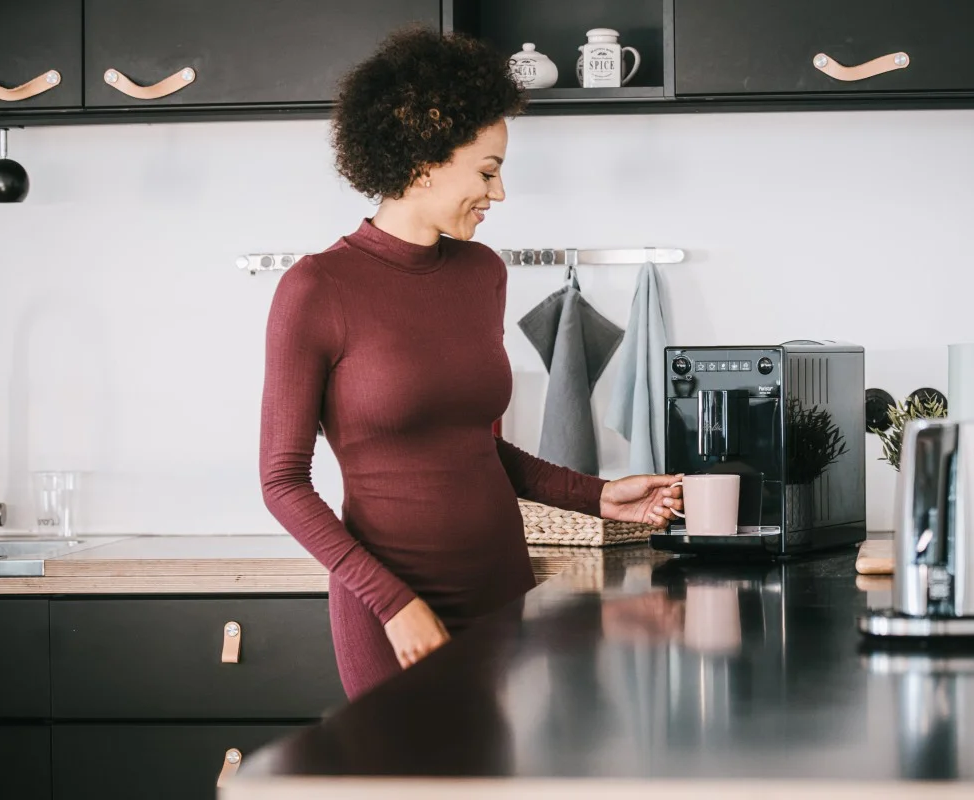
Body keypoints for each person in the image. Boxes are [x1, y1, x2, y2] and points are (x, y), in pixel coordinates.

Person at [259, 26, 683, 699]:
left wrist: (599, 497)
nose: (501, 193)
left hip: (499, 591)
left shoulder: (482, 272)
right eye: (487, 169)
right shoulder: (317, 288)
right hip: (392, 609)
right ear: (425, 158)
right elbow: (282, 482)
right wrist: (392, 603)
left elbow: (475, 449)